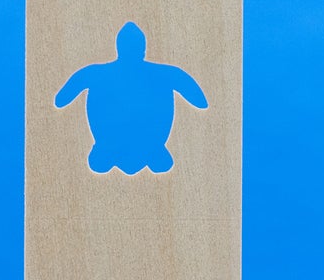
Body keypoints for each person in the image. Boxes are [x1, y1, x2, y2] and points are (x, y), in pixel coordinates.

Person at [53, 22, 208, 174]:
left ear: (119, 48)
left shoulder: (96, 73)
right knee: (161, 163)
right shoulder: (166, 74)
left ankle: (111, 152)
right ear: (143, 49)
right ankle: (152, 153)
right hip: (149, 144)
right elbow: (200, 101)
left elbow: (61, 100)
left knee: (99, 163)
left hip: (111, 144)